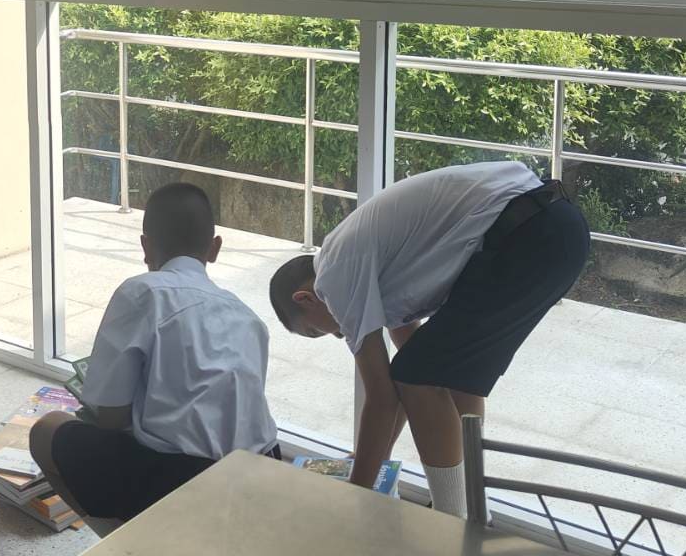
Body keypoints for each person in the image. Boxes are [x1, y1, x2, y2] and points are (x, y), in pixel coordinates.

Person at [267, 161, 589, 519]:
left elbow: (384, 396)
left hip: (528, 236)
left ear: (305, 299)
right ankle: (470, 508)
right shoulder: (364, 268)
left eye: (315, 330)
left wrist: (356, 494)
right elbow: (407, 377)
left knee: (419, 374)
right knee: (448, 377)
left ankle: (453, 519)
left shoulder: (333, 275)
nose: (336, 334)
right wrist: (368, 458)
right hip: (554, 228)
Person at [29, 183, 278, 537]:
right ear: (215, 248)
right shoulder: (250, 319)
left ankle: (129, 542)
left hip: (181, 481)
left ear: (146, 246)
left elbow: (111, 417)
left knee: (47, 429)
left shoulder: (142, 292)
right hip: (260, 473)